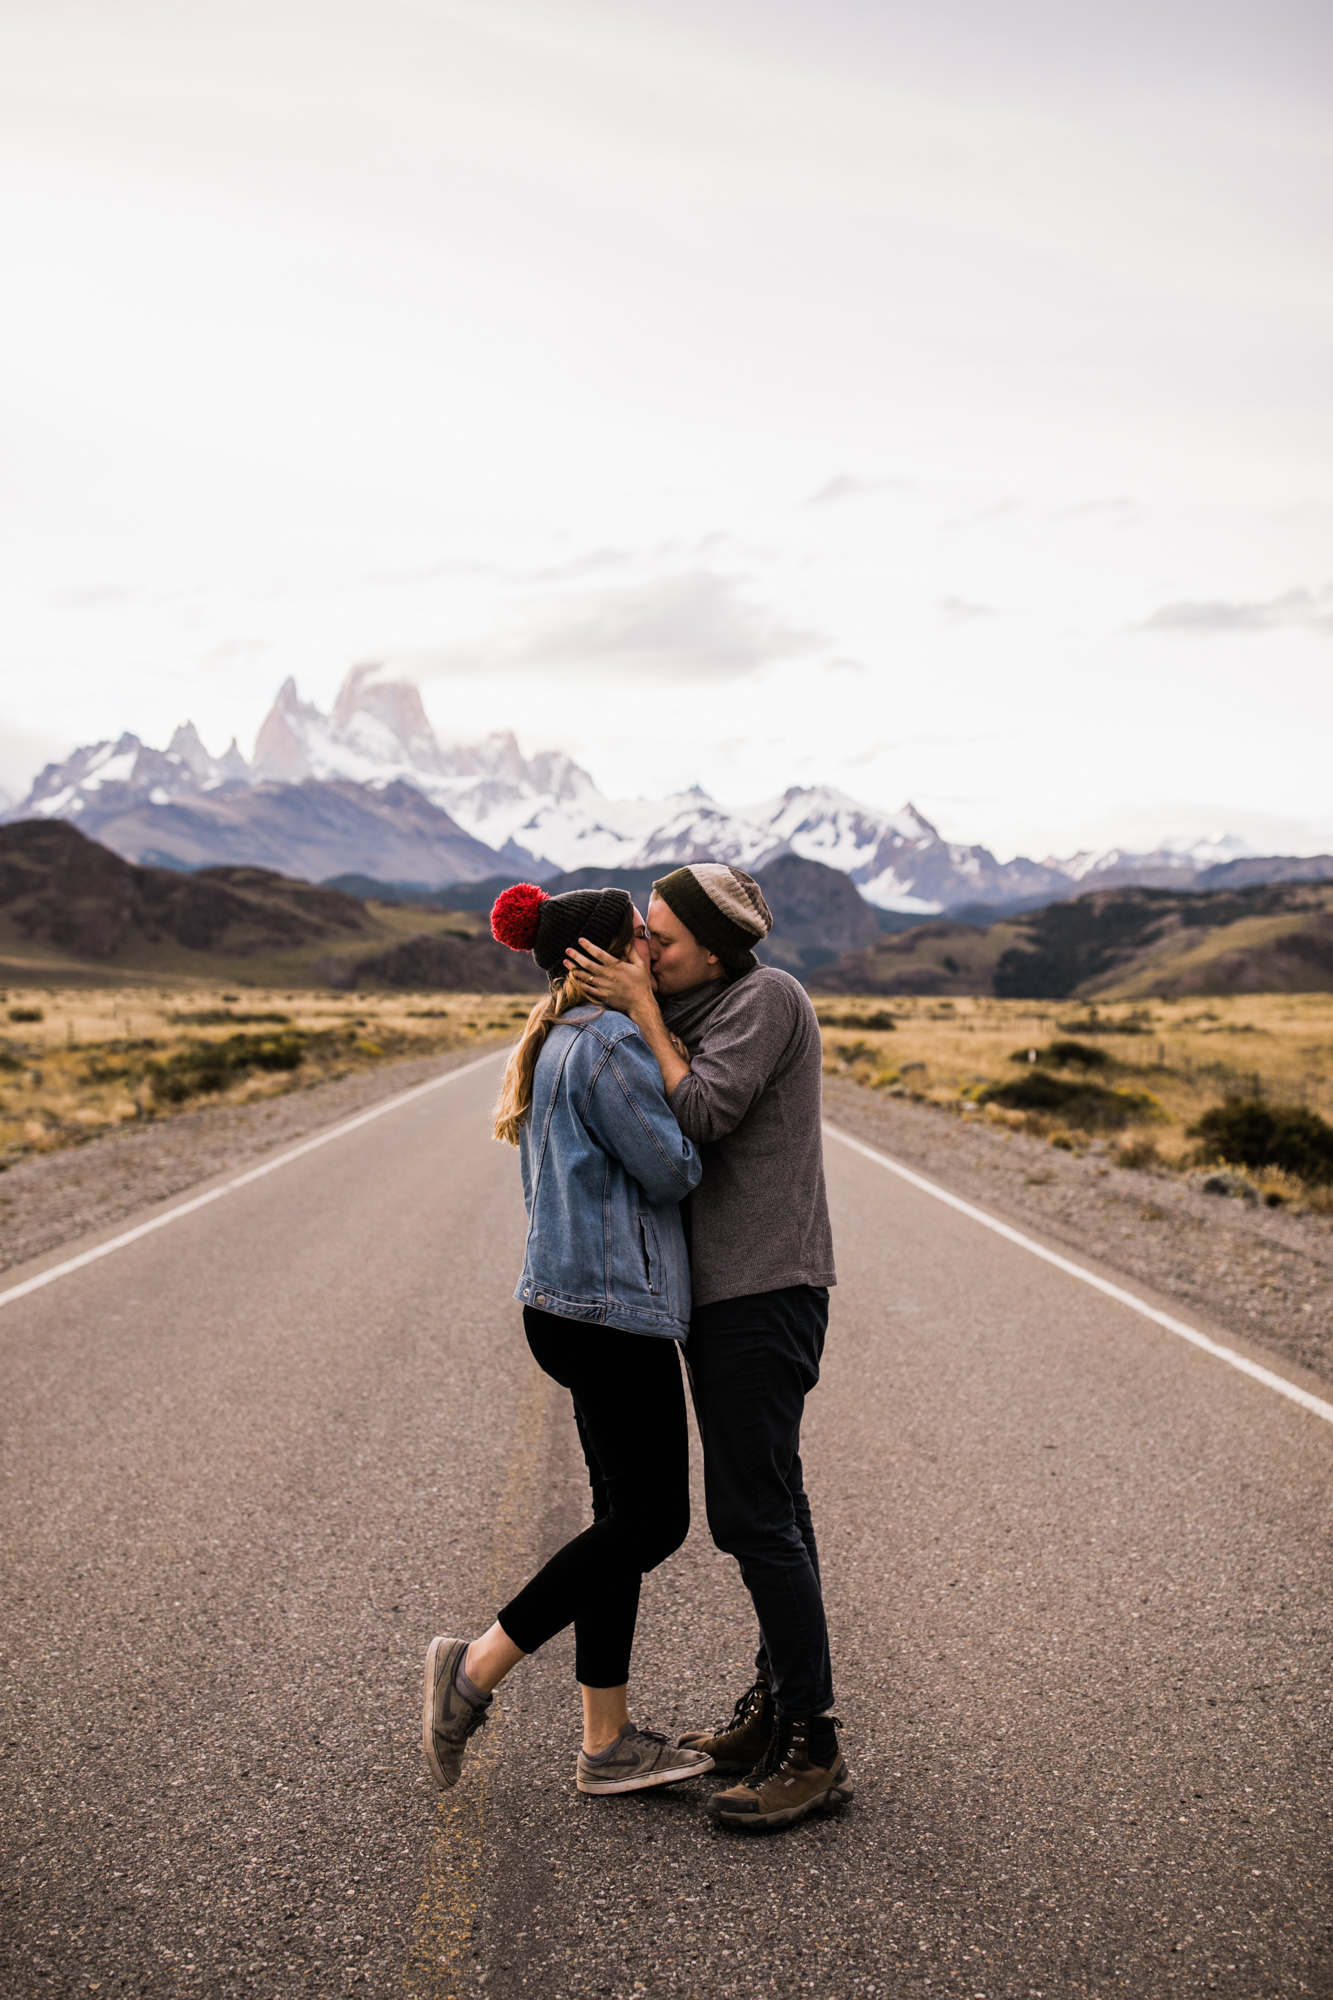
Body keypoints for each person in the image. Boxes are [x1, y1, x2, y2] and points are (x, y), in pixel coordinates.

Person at [566, 862, 852, 1832]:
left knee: (750, 1514)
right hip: (728, 1292)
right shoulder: (711, 997)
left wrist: (643, 1011)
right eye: (642, 934)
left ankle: (812, 1743)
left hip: (765, 1287)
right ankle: (775, 1703)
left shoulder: (765, 998)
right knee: (774, 1498)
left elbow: (700, 1115)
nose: (647, 951)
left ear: (718, 949)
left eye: (664, 940)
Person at [422, 882, 714, 1798]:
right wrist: (655, 1033)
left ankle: (606, 1743)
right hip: (608, 1312)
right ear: (599, 959)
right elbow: (675, 1168)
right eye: (637, 939)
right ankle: (471, 1671)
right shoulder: (612, 1045)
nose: (651, 951)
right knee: (654, 1520)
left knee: (620, 1524)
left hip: (562, 1308)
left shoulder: (555, 1039)